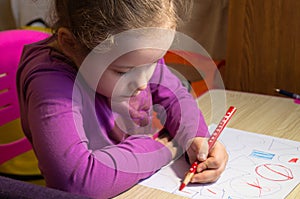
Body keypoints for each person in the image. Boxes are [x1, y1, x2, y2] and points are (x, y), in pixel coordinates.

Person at [16, 1, 228, 198]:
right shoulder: (49, 83)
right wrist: (167, 148)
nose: (144, 82)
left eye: (153, 62)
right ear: (71, 44)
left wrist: (196, 138)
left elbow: (176, 97)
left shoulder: (133, 53)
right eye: (123, 72)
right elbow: (75, 181)